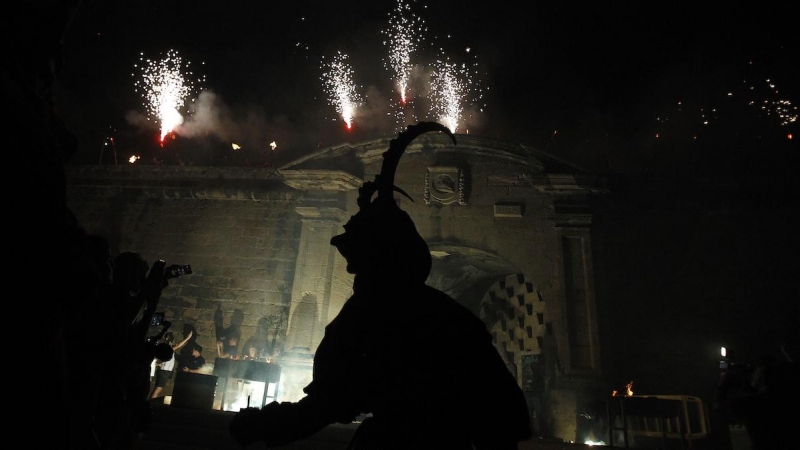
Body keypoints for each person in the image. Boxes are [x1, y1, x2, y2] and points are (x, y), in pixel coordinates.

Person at [229, 122, 532, 450]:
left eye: (356, 254)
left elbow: (327, 403)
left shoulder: (369, 314)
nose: (347, 260)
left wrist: (261, 424)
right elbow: (504, 414)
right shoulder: (450, 315)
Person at [150, 330, 193, 399]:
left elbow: (177, 345)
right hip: (164, 372)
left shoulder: (168, 347)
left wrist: (159, 364)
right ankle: (150, 403)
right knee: (157, 390)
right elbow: (179, 345)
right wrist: (187, 338)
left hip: (165, 372)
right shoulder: (168, 348)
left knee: (158, 389)